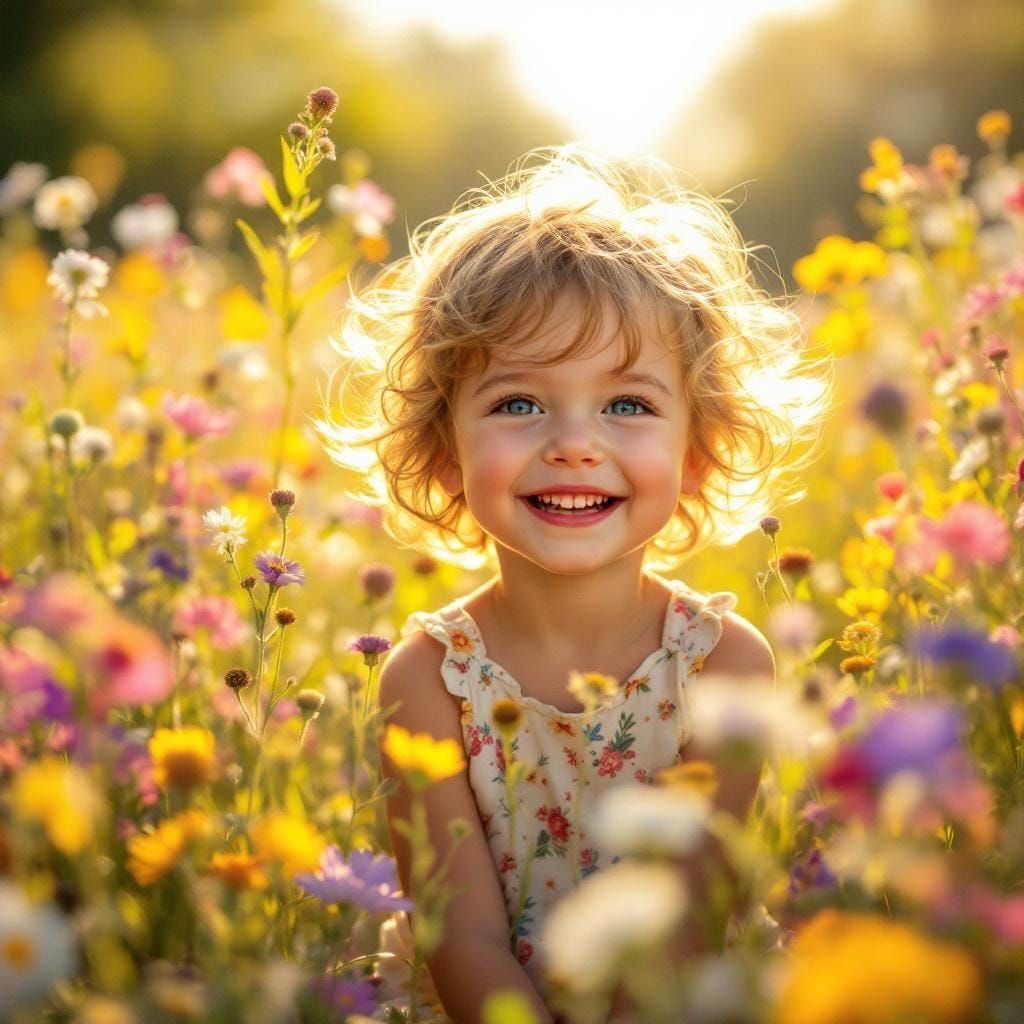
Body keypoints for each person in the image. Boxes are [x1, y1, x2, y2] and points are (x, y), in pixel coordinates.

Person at [314, 145, 833, 1022]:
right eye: (518, 404)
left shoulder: (723, 668)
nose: (574, 443)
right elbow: (460, 935)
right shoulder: (427, 679)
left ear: (695, 452)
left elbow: (691, 917)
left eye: (628, 405)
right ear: (446, 452)